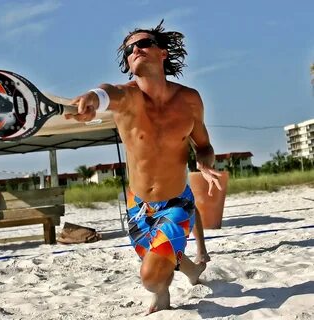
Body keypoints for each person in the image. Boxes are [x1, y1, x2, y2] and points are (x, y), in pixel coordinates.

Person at [65, 20, 222, 313]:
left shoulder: (189, 100)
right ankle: (188, 273)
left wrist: (204, 161)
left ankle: (161, 287)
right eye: (129, 49)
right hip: (137, 204)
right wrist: (92, 98)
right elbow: (107, 92)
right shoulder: (127, 98)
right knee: (158, 265)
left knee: (150, 277)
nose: (135, 49)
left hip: (177, 201)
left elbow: (204, 145)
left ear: (162, 53)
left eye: (143, 43)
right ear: (127, 62)